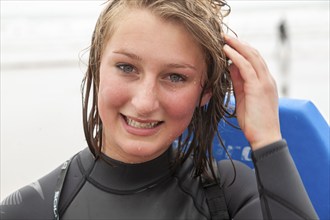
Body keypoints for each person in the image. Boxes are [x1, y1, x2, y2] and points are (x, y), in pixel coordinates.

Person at [0, 0, 318, 219]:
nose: (145, 101)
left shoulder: (230, 197)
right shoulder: (28, 211)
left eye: (175, 77)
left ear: (205, 92)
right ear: (96, 68)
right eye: (126, 67)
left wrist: (266, 139)